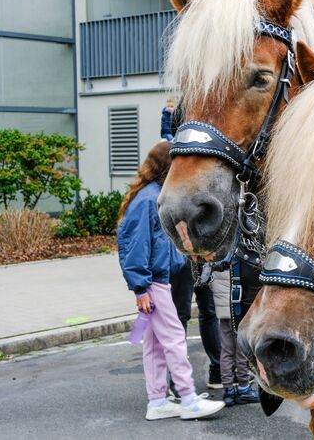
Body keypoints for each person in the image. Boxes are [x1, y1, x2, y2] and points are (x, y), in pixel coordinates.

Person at [117, 141, 224, 421]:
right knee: (174, 337)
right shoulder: (150, 200)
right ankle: (188, 399)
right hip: (154, 281)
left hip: (153, 280)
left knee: (154, 344)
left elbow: (141, 245)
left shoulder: (148, 196)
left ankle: (157, 401)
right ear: (166, 167)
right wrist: (141, 286)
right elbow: (135, 247)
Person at [209, 269, 260, 405]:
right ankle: (244, 388)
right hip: (238, 306)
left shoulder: (216, 258)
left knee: (226, 350)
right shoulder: (235, 254)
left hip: (222, 309)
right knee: (241, 350)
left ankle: (228, 390)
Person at [170, 262, 224, 390]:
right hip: (181, 259)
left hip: (202, 258)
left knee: (210, 311)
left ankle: (218, 371)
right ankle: (177, 381)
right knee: (180, 316)